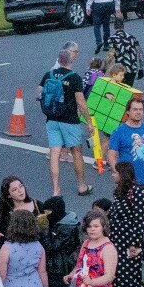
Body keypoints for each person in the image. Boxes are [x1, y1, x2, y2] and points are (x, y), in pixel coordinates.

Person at [40, 44, 93, 199]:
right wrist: (89, 121)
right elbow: (81, 103)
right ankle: (82, 185)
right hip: (70, 120)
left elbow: (39, 93)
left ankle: (56, 189)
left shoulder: (48, 74)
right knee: (76, 152)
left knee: (55, 153)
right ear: (71, 60)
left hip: (52, 119)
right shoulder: (74, 78)